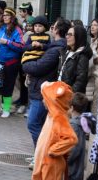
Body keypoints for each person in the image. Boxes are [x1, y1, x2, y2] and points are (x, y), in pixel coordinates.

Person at [17, 81, 77, 180]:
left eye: (45, 98)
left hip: (51, 164)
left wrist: (53, 151)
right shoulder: (51, 115)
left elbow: (71, 139)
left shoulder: (59, 117)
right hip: (41, 163)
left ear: (53, 100)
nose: (43, 100)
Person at [23, 19, 70, 148]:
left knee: (33, 123)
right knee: (40, 124)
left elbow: (39, 67)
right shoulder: (55, 46)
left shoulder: (56, 48)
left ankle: (42, 155)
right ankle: (39, 155)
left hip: (42, 91)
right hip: (39, 88)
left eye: (53, 26)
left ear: (56, 30)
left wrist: (25, 64)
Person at [58, 92, 89, 180]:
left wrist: (65, 159)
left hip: (72, 165)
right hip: (77, 164)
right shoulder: (81, 122)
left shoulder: (74, 125)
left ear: (71, 108)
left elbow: (73, 148)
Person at [58, 24, 93, 94]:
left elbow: (80, 82)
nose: (67, 37)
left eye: (70, 35)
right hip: (60, 91)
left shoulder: (82, 56)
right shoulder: (66, 52)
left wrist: (68, 94)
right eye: (67, 34)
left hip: (69, 97)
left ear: (78, 37)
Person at [89, 18, 98, 117]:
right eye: (92, 24)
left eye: (95, 25)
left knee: (96, 100)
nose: (92, 27)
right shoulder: (93, 40)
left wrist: (92, 57)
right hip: (92, 73)